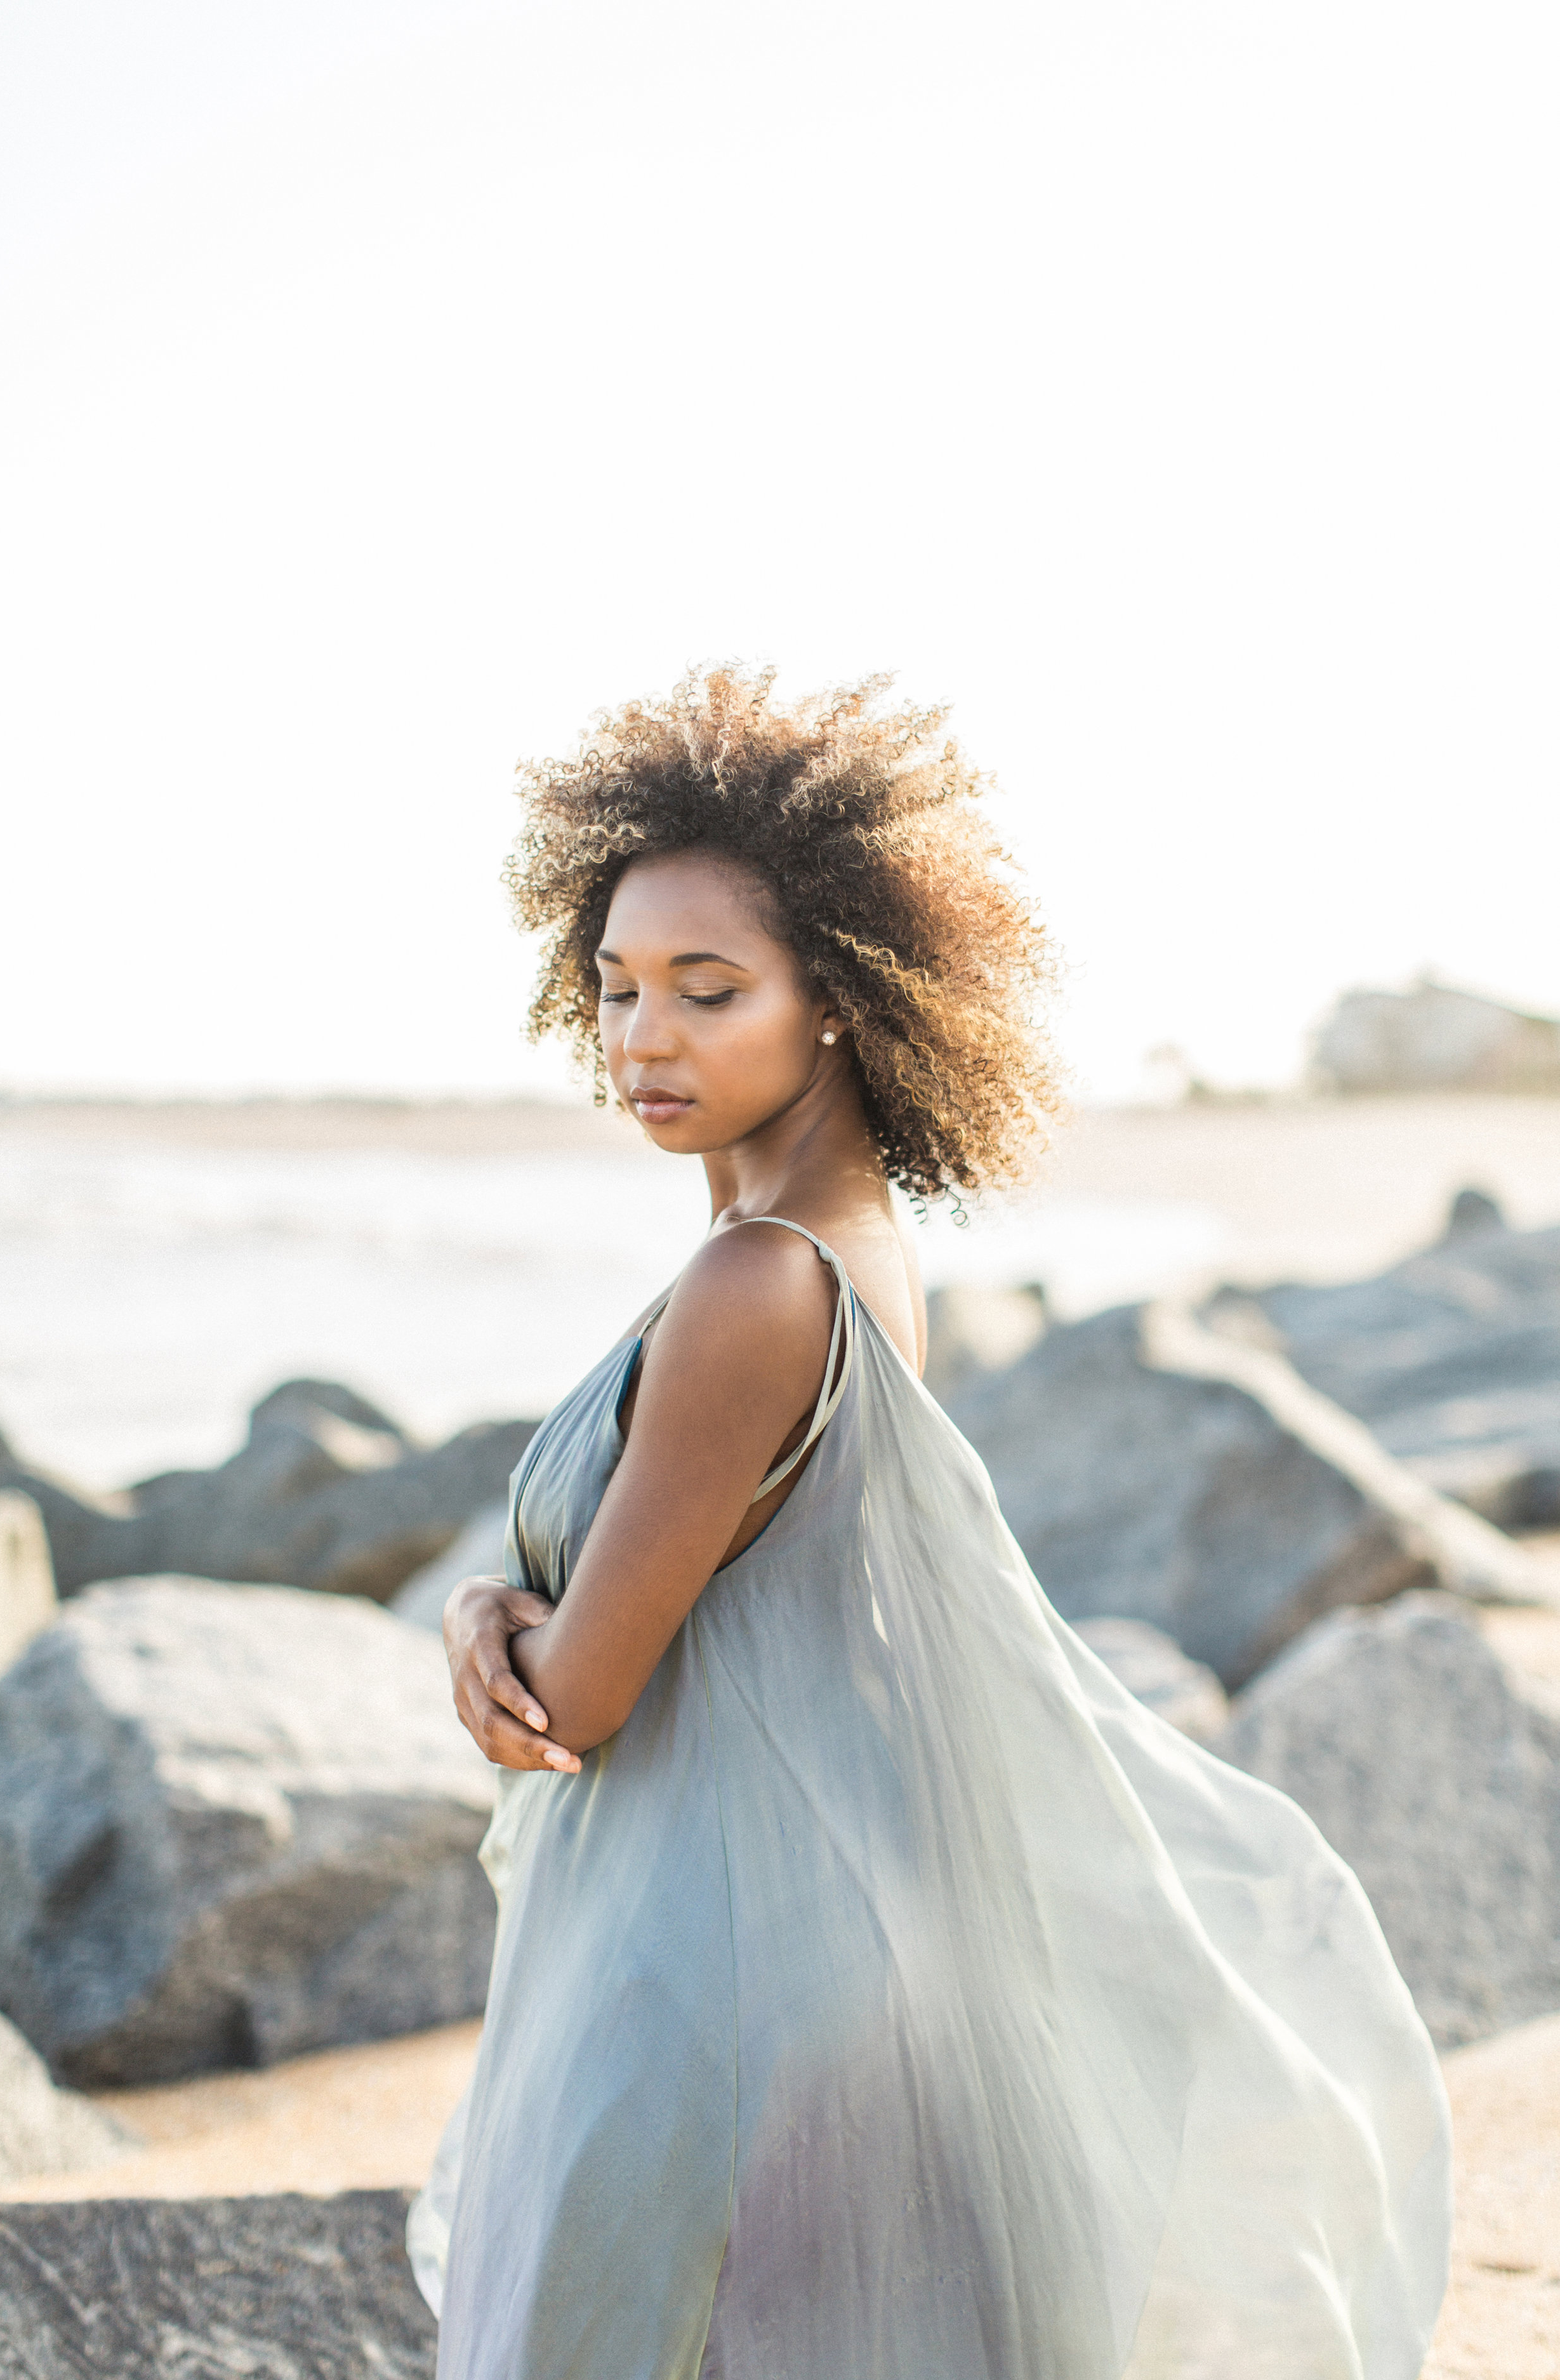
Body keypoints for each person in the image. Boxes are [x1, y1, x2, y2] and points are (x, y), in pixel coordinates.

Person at [411, 668, 1451, 2379]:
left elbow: (572, 1704)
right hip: (794, 1941)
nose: (640, 1037)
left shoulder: (757, 1279)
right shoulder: (844, 1235)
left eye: (704, 988)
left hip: (706, 1981)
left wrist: (475, 1614)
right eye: (609, 989)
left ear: (833, 997)